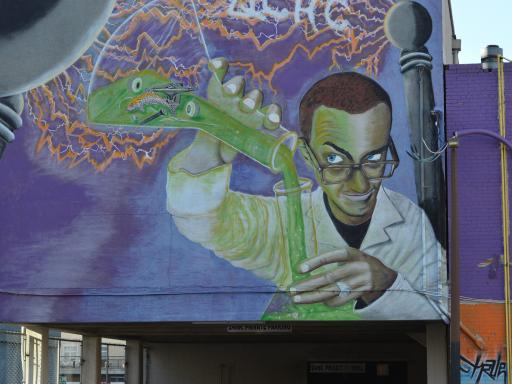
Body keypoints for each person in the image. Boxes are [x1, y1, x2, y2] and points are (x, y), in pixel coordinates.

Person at [166, 58, 447, 320]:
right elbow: (203, 222)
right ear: (308, 156)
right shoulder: (287, 220)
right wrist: (209, 142)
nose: (360, 185)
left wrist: (386, 284)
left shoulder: (409, 223)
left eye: (373, 159)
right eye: (335, 160)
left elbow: (446, 314)